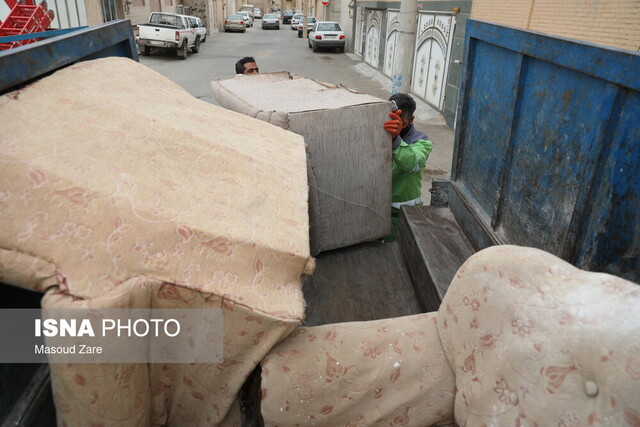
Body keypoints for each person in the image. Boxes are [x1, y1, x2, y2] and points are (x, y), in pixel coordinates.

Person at [383, 93, 433, 241]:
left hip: (404, 217)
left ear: (411, 120)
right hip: (375, 211)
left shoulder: (422, 141)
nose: (397, 126)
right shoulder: (377, 133)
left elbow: (412, 163)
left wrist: (395, 140)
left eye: (402, 124)